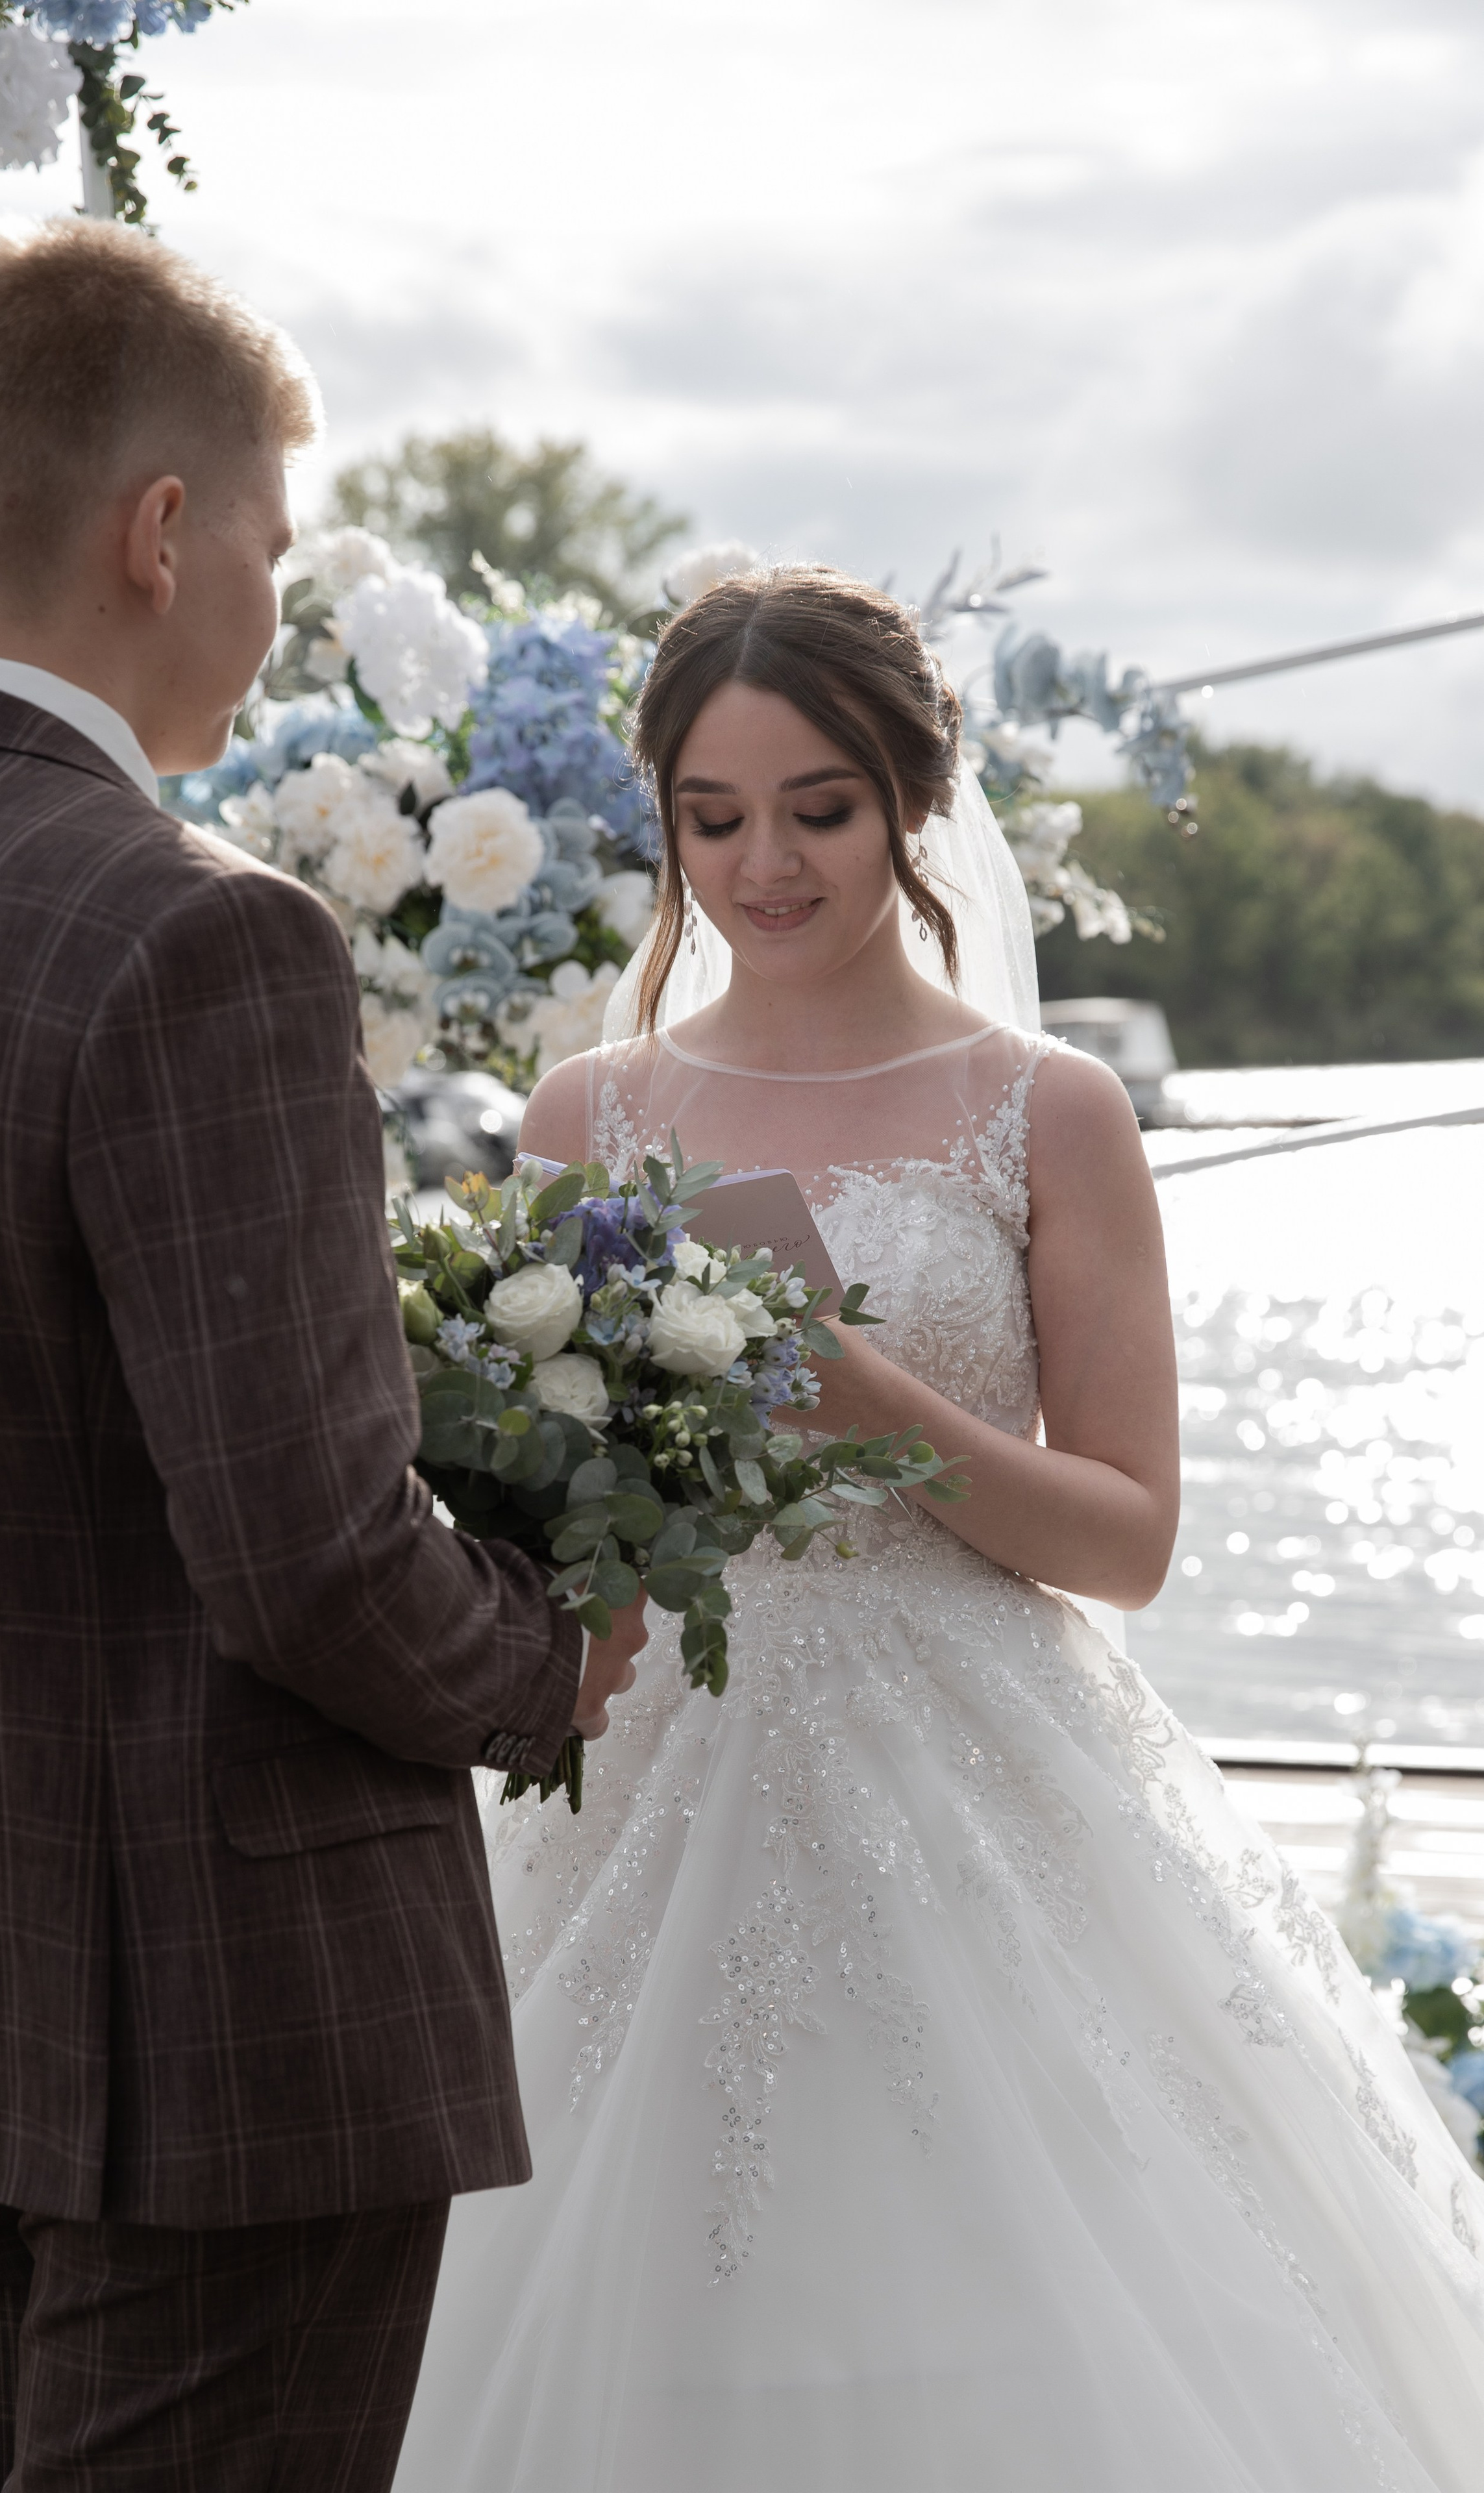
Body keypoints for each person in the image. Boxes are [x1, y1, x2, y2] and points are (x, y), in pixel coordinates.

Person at [394, 566, 1484, 2492]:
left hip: (980, 1766)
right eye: (711, 820)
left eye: (817, 808)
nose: (765, 866)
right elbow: (542, 1514)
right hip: (649, 1765)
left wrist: (870, 1407)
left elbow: (1129, 1537)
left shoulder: (1046, 1110)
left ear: (911, 798)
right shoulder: (592, 1112)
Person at [0, 218, 642, 2490]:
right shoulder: (203, 938)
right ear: (161, 535)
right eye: (272, 551)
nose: (278, 612)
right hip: (231, 2060)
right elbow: (303, 1554)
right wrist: (540, 1655)